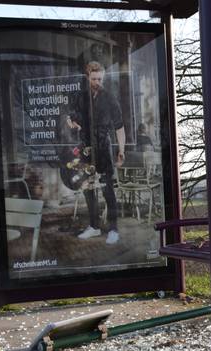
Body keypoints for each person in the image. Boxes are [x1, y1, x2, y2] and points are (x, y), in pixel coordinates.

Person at [67, 61, 125, 245]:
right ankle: (94, 226)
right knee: (87, 188)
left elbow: (119, 127)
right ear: (87, 77)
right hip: (85, 147)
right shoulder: (80, 97)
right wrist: (71, 122)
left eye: (100, 78)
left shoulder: (110, 98)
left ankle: (113, 229)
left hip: (103, 146)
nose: (97, 82)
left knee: (108, 188)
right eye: (94, 79)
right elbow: (71, 118)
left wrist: (121, 150)